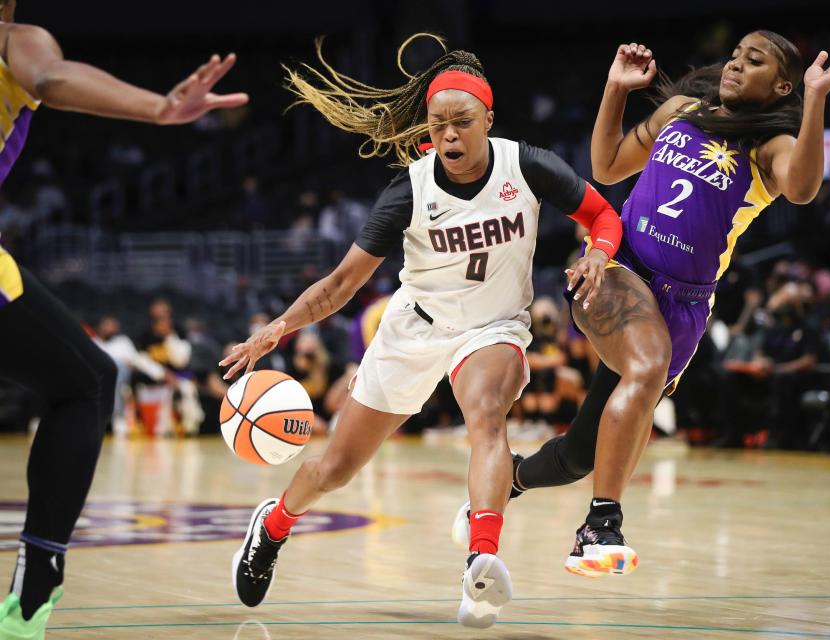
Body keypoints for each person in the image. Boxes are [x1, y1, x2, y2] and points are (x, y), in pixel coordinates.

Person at [219, 34, 622, 629]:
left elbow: (602, 214)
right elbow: (339, 285)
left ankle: (480, 563)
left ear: (489, 117)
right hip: (415, 329)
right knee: (335, 469)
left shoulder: (527, 165)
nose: (450, 135)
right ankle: (273, 525)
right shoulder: (410, 190)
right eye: (438, 125)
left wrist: (598, 254)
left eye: (462, 121)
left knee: (486, 416)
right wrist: (275, 329)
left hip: (492, 327)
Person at [454, 31, 830, 578]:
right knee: (645, 367)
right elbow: (608, 165)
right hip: (618, 270)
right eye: (735, 55)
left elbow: (804, 189)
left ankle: (507, 482)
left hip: (683, 306)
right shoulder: (681, 110)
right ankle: (600, 526)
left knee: (579, 456)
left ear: (782, 84)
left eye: (753, 61)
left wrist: (815, 99)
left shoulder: (770, 147)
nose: (736, 65)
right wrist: (616, 89)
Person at [0, 1, 247, 636]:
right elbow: (52, 80)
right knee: (86, 383)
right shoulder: (13, 38)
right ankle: (34, 590)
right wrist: (161, 108)